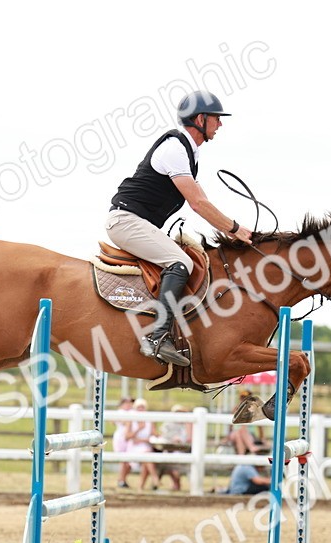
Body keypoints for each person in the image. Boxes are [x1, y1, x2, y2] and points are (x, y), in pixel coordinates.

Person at [105, 90, 254, 368]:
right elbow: (197, 204)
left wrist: (232, 232)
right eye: (216, 119)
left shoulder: (189, 153)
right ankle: (157, 337)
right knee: (180, 261)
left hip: (137, 222)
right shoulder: (175, 148)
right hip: (126, 221)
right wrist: (235, 228)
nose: (220, 124)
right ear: (200, 119)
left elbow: (204, 202)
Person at [156, 403, 192, 491]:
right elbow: (162, 435)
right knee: (166, 462)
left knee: (173, 461)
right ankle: (175, 483)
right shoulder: (168, 425)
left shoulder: (188, 425)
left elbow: (189, 439)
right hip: (170, 450)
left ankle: (176, 483)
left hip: (183, 451)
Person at [127, 399, 160, 491]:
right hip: (134, 448)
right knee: (147, 456)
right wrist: (139, 428)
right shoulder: (131, 420)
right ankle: (154, 478)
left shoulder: (149, 420)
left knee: (146, 458)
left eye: (143, 407)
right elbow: (127, 437)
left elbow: (154, 433)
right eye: (139, 407)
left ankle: (141, 486)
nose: (141, 409)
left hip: (146, 446)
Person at [112, 396, 134, 488]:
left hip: (128, 438)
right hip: (121, 438)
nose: (129, 404)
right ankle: (121, 480)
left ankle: (122, 479)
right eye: (126, 402)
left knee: (128, 461)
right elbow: (114, 421)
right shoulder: (120, 412)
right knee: (123, 461)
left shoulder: (131, 412)